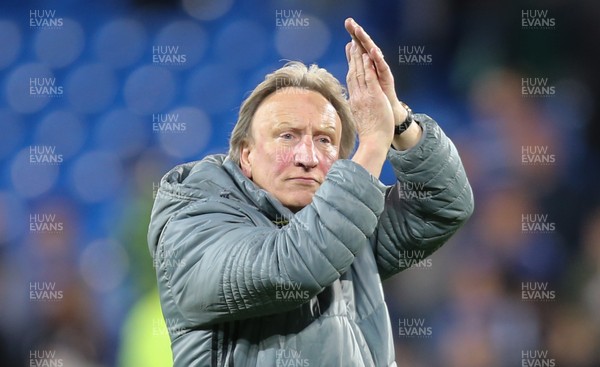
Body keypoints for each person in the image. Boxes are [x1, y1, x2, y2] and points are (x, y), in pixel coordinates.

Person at [148, 18, 474, 366]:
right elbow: (290, 265)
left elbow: (442, 205)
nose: (307, 157)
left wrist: (397, 119)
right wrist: (374, 142)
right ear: (246, 155)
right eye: (287, 136)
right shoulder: (193, 220)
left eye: (324, 140)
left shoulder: (346, 221)